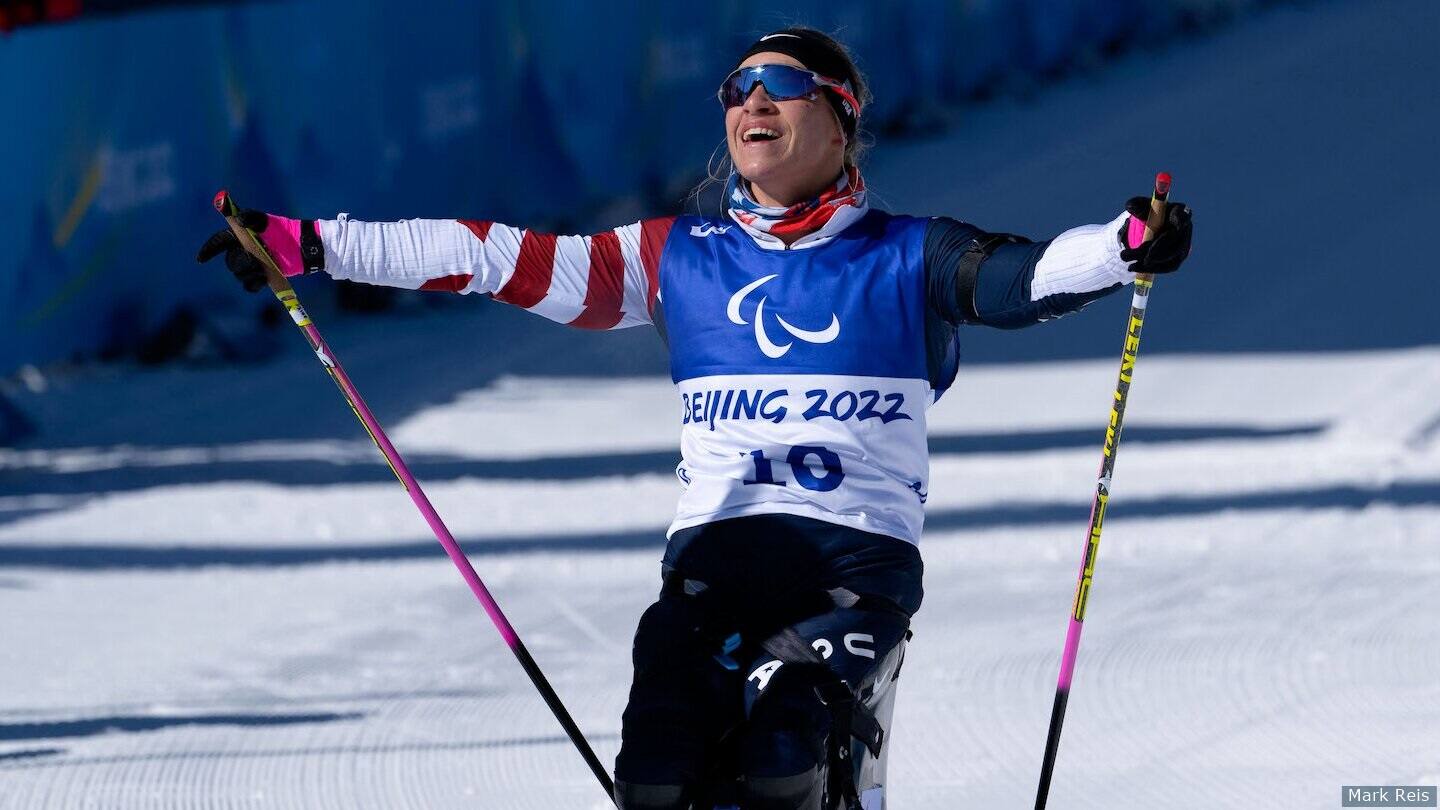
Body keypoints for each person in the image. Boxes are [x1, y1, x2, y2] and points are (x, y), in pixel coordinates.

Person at [198, 27, 1192, 810]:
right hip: (716, 565)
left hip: (851, 570)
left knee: (784, 757)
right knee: (658, 774)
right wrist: (313, 245)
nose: (752, 100)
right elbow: (500, 256)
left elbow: (1020, 280)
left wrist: (1124, 243)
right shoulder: (680, 256)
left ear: (841, 123)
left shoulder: (908, 253)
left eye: (783, 85)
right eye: (737, 89)